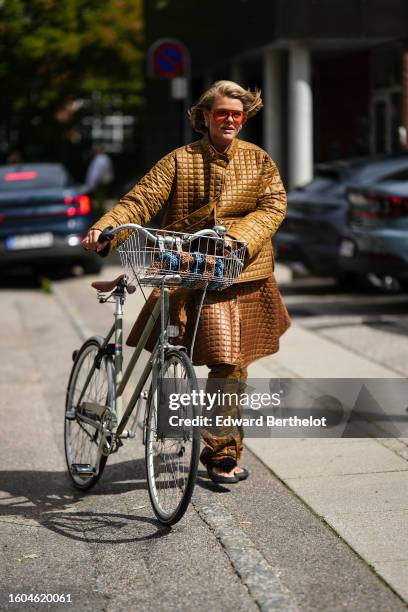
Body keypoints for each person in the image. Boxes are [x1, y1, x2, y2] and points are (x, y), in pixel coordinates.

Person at [82, 80, 291, 484]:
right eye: (221, 113)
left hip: (240, 271)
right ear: (205, 117)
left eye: (237, 114)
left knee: (229, 362)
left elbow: (274, 204)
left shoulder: (259, 160)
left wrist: (240, 236)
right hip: (187, 267)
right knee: (189, 351)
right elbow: (139, 200)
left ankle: (220, 452)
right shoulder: (180, 160)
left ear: (243, 119)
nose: (230, 120)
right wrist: (106, 228)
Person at [85, 144, 114, 213]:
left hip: (100, 182)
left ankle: (98, 212)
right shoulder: (106, 158)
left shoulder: (99, 159)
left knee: (98, 199)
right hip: (105, 181)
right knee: (102, 198)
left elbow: (96, 173)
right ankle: (100, 211)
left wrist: (91, 184)